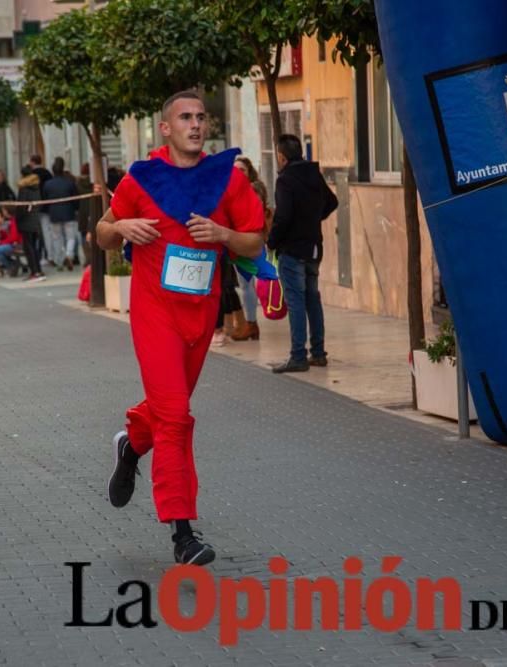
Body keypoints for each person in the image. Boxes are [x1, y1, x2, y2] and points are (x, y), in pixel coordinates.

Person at [96, 90, 265, 565]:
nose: (195, 124)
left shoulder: (228, 181)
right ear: (165, 129)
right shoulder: (142, 179)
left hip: (200, 314)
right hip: (153, 314)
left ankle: (131, 446)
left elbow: (254, 243)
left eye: (201, 117)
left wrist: (225, 236)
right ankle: (183, 533)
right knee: (175, 417)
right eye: (184, 117)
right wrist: (123, 227)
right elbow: (102, 231)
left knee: (170, 408)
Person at [267, 134, 338, 373]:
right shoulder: (313, 174)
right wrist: (312, 218)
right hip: (313, 247)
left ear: (281, 156)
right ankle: (318, 353)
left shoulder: (286, 180)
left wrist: (272, 241)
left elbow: (283, 217)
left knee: (296, 302)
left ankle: (298, 356)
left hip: (293, 249)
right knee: (312, 299)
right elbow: (333, 201)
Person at [230, 156, 271, 341]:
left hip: (253, 242)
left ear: (249, 172)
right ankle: (251, 324)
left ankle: (252, 324)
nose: (238, 174)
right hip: (239, 242)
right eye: (235, 170)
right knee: (246, 285)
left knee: (253, 283)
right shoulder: (231, 192)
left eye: (242, 170)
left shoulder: (253, 190)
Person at [42, 156, 81, 271]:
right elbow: (76, 199)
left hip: (54, 214)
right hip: (69, 213)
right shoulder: (69, 183)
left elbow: (45, 200)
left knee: (56, 238)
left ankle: (59, 260)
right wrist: (75, 209)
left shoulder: (47, 184)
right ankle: (69, 255)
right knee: (70, 237)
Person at [16, 165, 46, 282]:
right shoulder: (36, 187)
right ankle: (38, 269)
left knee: (29, 248)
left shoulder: (24, 189)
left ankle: (34, 271)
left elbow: (21, 207)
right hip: (35, 220)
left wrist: (17, 218)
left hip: (26, 221)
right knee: (34, 246)